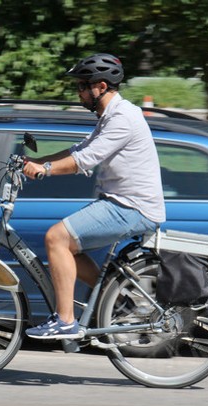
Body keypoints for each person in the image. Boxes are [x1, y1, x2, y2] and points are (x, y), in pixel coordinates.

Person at [23, 53, 166, 339]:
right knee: (67, 247)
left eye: (82, 86)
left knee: (56, 238)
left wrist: (45, 170)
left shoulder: (123, 118)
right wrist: (30, 162)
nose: (79, 93)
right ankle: (115, 296)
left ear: (100, 87)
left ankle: (65, 320)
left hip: (132, 208)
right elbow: (78, 149)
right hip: (120, 203)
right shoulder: (111, 116)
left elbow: (86, 159)